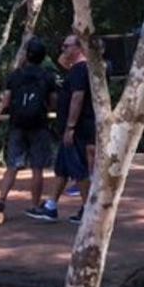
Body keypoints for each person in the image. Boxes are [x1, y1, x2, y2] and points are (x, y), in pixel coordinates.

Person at [0, 37, 58, 224]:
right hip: (39, 125)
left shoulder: (15, 75)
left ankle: (1, 200)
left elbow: (6, 101)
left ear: (26, 55)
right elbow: (53, 102)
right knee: (37, 168)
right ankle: (35, 205)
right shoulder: (47, 77)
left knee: (12, 166)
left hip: (17, 125)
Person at [43, 33, 96, 221]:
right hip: (71, 127)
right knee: (62, 168)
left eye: (67, 46)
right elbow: (62, 61)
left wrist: (71, 127)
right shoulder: (76, 69)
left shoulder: (81, 69)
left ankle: (89, 209)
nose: (63, 50)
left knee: (78, 168)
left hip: (77, 128)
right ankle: (51, 206)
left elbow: (77, 97)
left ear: (79, 48)